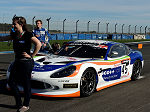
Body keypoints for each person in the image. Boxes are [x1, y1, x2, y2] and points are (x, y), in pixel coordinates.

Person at [0, 16, 41, 112]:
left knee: (26, 83)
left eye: (14, 24)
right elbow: (2, 38)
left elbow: (38, 44)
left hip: (26, 62)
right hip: (17, 61)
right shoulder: (14, 35)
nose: (13, 25)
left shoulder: (28, 34)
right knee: (11, 82)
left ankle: (26, 105)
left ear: (21, 24)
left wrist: (31, 55)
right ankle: (19, 103)